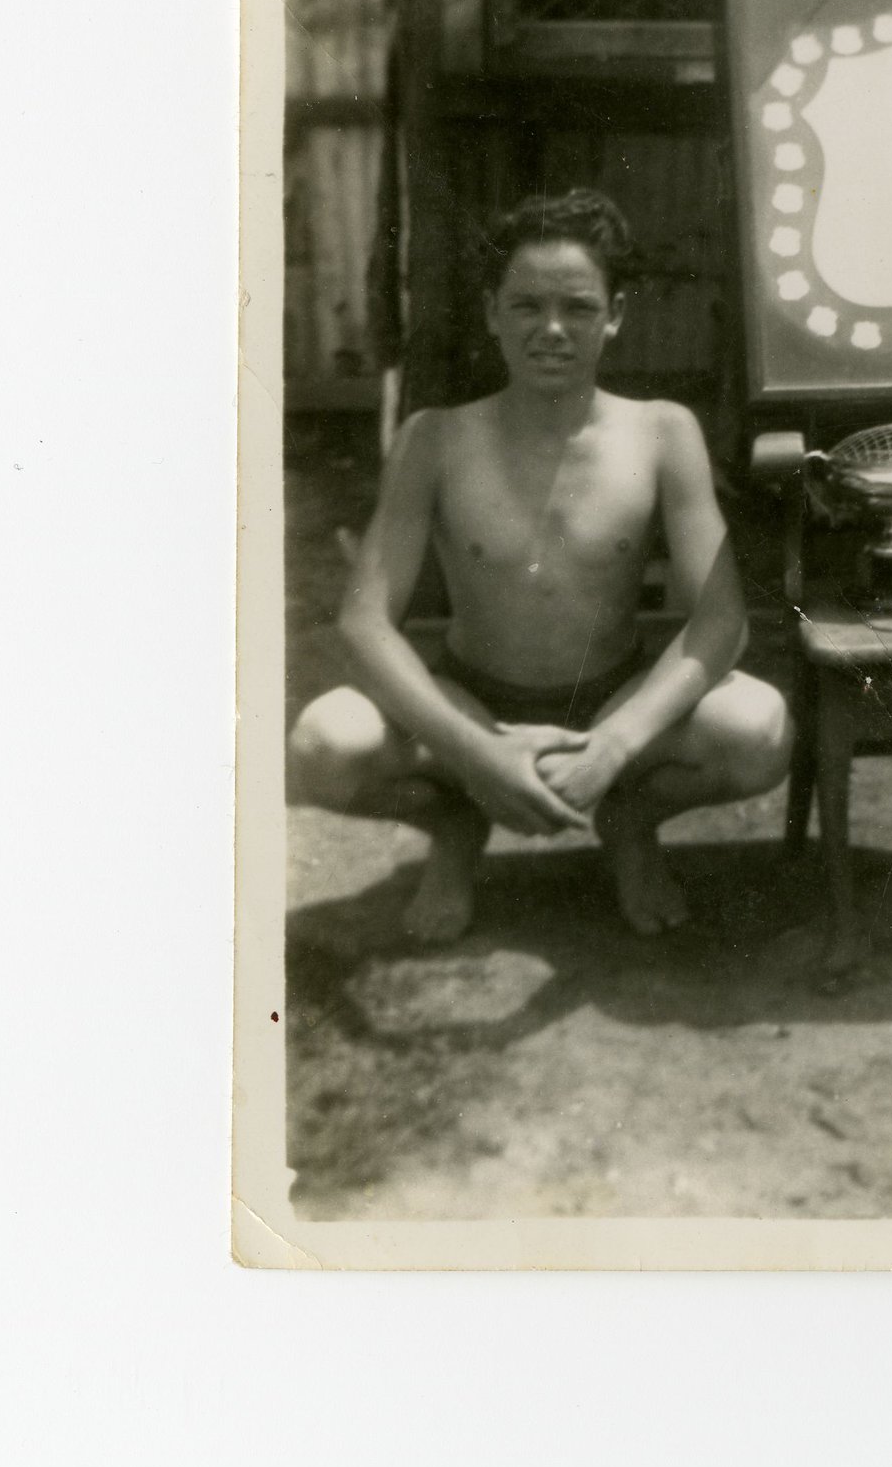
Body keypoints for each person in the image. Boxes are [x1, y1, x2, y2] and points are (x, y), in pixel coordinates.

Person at [288, 189, 793, 943]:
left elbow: (718, 621)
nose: (551, 330)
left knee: (760, 731)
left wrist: (616, 743)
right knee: (323, 746)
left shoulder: (661, 432)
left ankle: (628, 823)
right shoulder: (435, 438)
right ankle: (456, 829)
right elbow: (364, 622)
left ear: (614, 315)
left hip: (611, 703)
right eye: (525, 306)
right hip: (472, 704)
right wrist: (475, 751)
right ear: (491, 311)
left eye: (578, 308)